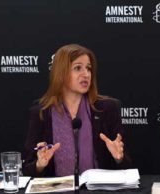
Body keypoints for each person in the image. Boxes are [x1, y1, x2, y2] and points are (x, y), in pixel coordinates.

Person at [23, 44, 131, 177]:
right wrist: (40, 164)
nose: (86, 74)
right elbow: (27, 169)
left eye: (88, 68)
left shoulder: (108, 108)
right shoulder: (41, 112)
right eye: (78, 68)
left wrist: (118, 157)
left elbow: (127, 166)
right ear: (61, 72)